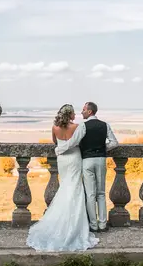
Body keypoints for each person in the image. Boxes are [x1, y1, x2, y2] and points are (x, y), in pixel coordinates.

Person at [26, 104, 99, 252]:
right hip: (74, 158)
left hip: (63, 161)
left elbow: (55, 141)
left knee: (66, 187)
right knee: (75, 188)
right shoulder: (78, 127)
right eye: (73, 113)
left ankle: (61, 221)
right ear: (70, 115)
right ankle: (73, 225)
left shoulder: (55, 127)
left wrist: (60, 148)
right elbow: (78, 143)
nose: (75, 114)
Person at [55, 102, 118, 233]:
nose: (81, 112)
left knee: (90, 194)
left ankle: (93, 225)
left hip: (87, 161)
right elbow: (114, 143)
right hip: (101, 159)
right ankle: (102, 224)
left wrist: (60, 149)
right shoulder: (105, 125)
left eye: (83, 110)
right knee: (101, 193)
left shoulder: (83, 126)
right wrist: (102, 149)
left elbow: (73, 142)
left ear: (90, 111)